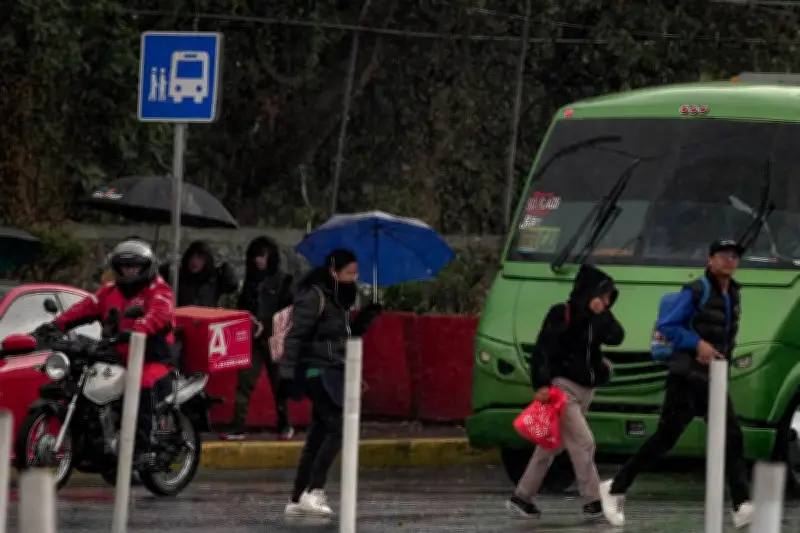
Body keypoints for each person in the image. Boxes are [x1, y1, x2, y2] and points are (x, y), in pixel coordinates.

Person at [600, 239, 752, 529]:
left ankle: (741, 504)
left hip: (712, 376)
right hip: (687, 376)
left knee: (713, 436)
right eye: (724, 255)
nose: (730, 260)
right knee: (692, 437)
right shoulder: (696, 290)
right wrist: (698, 344)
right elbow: (668, 325)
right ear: (710, 260)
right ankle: (615, 487)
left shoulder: (733, 293)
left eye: (734, 256)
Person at [38, 239, 175, 469]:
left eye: (134, 267)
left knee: (141, 384)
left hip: (152, 357)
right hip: (118, 354)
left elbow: (159, 315)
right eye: (124, 267)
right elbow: (85, 308)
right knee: (86, 377)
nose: (129, 271)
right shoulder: (110, 291)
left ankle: (142, 448)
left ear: (146, 267)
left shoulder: (159, 289)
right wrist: (56, 325)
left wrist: (137, 328)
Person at [507, 264, 623, 522]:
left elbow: (617, 337)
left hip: (586, 390)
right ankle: (593, 500)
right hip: (563, 389)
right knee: (584, 442)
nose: (606, 301)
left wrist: (602, 315)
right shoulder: (563, 314)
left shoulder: (597, 321)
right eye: (602, 295)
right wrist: (541, 384)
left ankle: (522, 497)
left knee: (550, 445)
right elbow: (543, 350)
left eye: (608, 297)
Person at [280, 249, 383, 517]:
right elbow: (295, 336)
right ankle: (315, 489)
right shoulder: (314, 296)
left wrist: (364, 320)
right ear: (333, 272)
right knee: (339, 426)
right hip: (315, 371)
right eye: (349, 273)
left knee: (318, 433)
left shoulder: (340, 301)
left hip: (333, 370)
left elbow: (340, 339)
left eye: (356, 273)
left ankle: (297, 496)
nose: (354, 278)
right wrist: (288, 374)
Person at [221, 236, 295, 441]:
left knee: (278, 383)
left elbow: (289, 312)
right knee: (244, 381)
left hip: (274, 339)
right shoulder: (250, 282)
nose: (257, 261)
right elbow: (242, 307)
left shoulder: (284, 281)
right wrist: (250, 319)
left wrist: (267, 325)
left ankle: (284, 423)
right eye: (255, 256)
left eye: (262, 256)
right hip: (252, 338)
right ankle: (238, 424)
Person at [158, 240, 238, 308]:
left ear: (206, 260)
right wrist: (168, 265)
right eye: (192, 257)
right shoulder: (179, 276)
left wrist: (225, 266)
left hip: (206, 319)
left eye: (199, 258)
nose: (194, 261)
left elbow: (231, 285)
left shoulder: (213, 278)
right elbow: (159, 277)